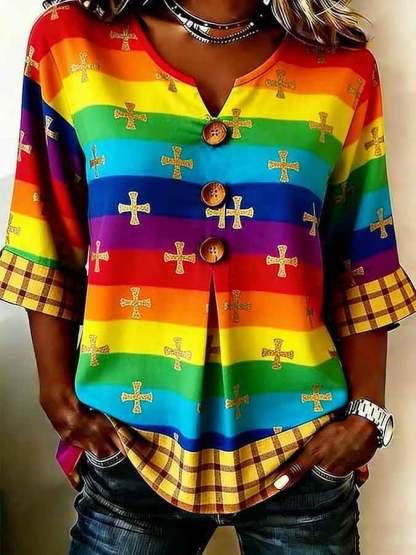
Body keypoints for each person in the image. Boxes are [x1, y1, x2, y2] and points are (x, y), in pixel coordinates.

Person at [1, 0, 415, 553]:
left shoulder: (341, 67)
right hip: (129, 441)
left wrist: (366, 418)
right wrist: (58, 395)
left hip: (302, 444)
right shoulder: (71, 45)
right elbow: (46, 226)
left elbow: (361, 251)